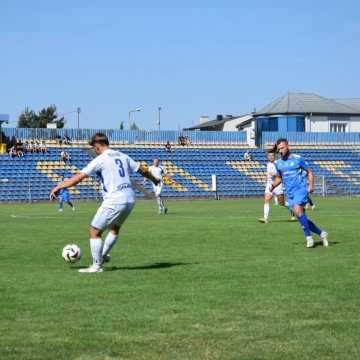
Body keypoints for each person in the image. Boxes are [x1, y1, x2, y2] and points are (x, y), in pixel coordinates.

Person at [49, 132, 160, 273]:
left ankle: (96, 266)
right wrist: (154, 180)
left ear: (97, 146)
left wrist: (59, 186)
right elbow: (143, 170)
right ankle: (103, 255)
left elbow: (78, 177)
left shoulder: (100, 159)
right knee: (114, 228)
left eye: (93, 147)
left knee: (94, 231)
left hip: (114, 199)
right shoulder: (122, 155)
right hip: (130, 198)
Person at [270, 138, 328, 248]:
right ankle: (321, 233)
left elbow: (309, 171)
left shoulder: (298, 159)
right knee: (301, 217)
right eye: (279, 149)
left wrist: (310, 185)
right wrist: (272, 186)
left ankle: (309, 238)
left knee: (297, 210)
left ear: (288, 146)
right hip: (290, 193)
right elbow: (279, 178)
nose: (281, 150)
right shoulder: (278, 163)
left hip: (300, 190)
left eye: (282, 147)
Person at [258, 150, 296, 223]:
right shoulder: (268, 164)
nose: (271, 157)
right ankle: (265, 219)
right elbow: (269, 174)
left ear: (274, 156)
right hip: (269, 184)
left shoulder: (278, 163)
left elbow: (282, 174)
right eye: (269, 156)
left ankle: (293, 210)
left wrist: (275, 174)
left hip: (277, 185)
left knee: (281, 203)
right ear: (267, 157)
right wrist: (267, 178)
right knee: (266, 200)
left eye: (272, 155)